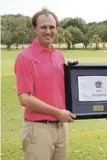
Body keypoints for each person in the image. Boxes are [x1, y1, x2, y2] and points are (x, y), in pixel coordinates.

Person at [14, 8, 76, 160]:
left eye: (52, 27)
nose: (48, 31)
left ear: (56, 29)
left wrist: (73, 72)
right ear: (34, 29)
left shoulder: (58, 56)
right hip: (38, 128)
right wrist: (57, 112)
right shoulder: (25, 58)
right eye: (43, 27)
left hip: (61, 127)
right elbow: (25, 99)